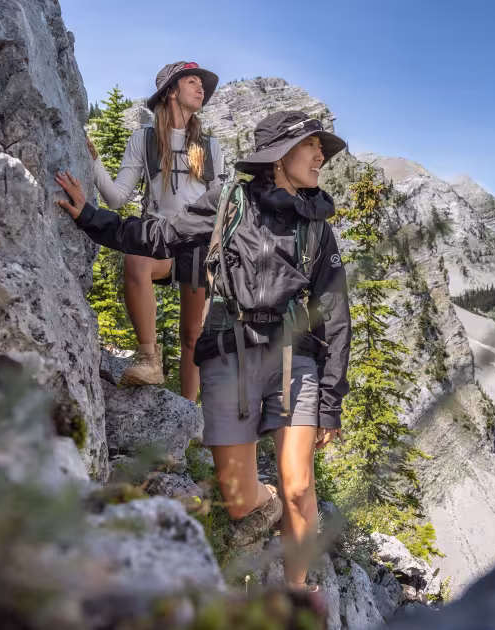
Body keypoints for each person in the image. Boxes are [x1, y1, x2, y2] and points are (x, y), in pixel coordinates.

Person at [57, 111, 351, 592]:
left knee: (300, 484)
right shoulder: (229, 201)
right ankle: (265, 500)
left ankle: (297, 594)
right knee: (239, 500)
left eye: (321, 148)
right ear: (278, 155)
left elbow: (335, 314)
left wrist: (330, 402)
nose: (321, 156)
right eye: (311, 146)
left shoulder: (317, 226)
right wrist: (90, 217)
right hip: (228, 354)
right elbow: (160, 236)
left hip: (292, 359)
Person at [88, 61, 225, 396]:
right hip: (159, 237)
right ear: (170, 93)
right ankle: (149, 360)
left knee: (193, 334)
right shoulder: (144, 139)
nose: (200, 88)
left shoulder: (210, 146)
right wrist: (93, 163)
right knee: (136, 262)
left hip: (199, 243)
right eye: (191, 82)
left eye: (201, 84)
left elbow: (220, 204)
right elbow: (118, 198)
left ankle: (188, 414)